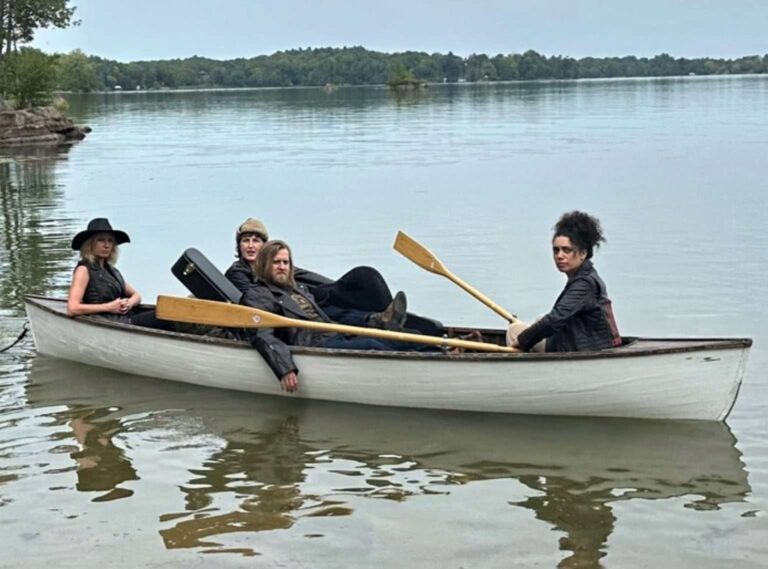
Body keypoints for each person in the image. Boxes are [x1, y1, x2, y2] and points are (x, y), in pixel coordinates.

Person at [242, 240, 432, 393]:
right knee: (371, 346)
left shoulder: (299, 289)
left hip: (332, 333)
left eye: (286, 262)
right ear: (265, 264)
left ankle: (443, 350)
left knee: (397, 337)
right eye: (276, 262)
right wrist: (284, 369)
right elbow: (262, 335)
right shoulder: (258, 295)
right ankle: (432, 367)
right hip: (312, 343)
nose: (282, 267)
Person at [225, 218, 410, 331]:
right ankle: (379, 321)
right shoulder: (238, 272)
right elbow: (256, 300)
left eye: (255, 241)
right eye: (245, 241)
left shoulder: (279, 264)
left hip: (308, 298)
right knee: (335, 313)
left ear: (264, 245)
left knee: (365, 275)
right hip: (291, 309)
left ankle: (388, 317)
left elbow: (308, 279)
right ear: (239, 246)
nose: (250, 246)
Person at [507, 211, 621, 352]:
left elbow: (554, 320)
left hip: (581, 348)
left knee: (514, 331)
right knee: (539, 319)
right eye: (556, 250)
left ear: (583, 253)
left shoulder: (584, 284)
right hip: (579, 340)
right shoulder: (586, 275)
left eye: (566, 250)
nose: (559, 256)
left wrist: (521, 341)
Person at [66, 218, 168, 329]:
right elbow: (73, 308)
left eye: (110, 241)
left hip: (125, 317)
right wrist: (108, 307)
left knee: (170, 311)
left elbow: (137, 296)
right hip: (108, 321)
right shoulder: (83, 270)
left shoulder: (111, 271)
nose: (106, 245)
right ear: (90, 244)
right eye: (101, 240)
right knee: (165, 316)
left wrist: (129, 303)